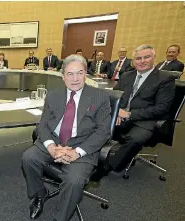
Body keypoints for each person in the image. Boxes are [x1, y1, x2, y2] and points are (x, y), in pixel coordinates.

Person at [21, 54, 111, 221]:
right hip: (54, 141)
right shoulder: (54, 95)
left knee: (74, 180)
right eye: (70, 74)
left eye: (80, 73)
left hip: (82, 145)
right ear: (63, 76)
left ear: (86, 74)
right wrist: (50, 147)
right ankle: (40, 194)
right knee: (28, 158)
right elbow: (43, 125)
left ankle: (60, 218)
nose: (75, 78)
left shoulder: (100, 97)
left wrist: (78, 152)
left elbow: (103, 131)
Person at [108, 44, 175, 172]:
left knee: (134, 139)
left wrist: (129, 114)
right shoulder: (126, 75)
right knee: (95, 123)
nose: (142, 61)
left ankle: (110, 166)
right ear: (134, 61)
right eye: (138, 58)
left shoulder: (165, 79)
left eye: (147, 57)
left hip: (145, 120)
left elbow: (162, 108)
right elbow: (115, 97)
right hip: (121, 115)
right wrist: (116, 112)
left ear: (154, 57)